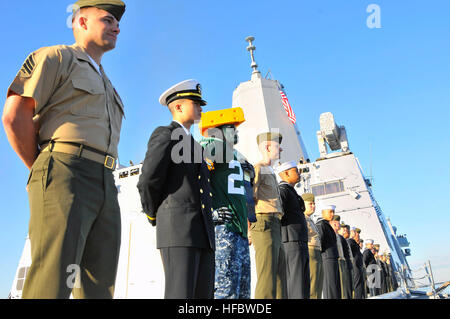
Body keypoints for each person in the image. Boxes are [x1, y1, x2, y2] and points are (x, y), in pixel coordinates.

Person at [2, 0, 126, 299]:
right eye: (107, 20)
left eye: (116, 23)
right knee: (52, 279)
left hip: (106, 181)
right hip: (65, 171)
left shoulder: (109, 84)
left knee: (98, 288)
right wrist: (45, 167)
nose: (116, 27)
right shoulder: (56, 57)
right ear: (82, 23)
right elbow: (14, 115)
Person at [137, 79, 215, 299]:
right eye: (196, 102)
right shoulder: (166, 134)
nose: (201, 108)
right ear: (179, 106)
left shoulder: (195, 146)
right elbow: (149, 179)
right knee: (180, 295)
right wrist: (153, 215)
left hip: (202, 233)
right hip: (179, 229)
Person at [199, 107, 250, 299]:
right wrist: (208, 214)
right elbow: (194, 178)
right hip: (224, 229)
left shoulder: (234, 154)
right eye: (231, 127)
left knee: (242, 292)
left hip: (238, 230)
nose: (235, 132)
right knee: (225, 290)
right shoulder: (212, 144)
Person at [251, 132, 286, 299]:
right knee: (267, 278)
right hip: (263, 222)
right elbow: (249, 199)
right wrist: (248, 229)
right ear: (266, 147)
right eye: (277, 145)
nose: (281, 148)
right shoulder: (258, 169)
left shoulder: (269, 171)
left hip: (275, 224)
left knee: (280, 278)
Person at [275, 161, 310, 299]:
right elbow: (279, 212)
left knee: (303, 281)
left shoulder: (290, 191)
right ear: (286, 173)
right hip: (291, 240)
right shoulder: (283, 190)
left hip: (298, 240)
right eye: (296, 170)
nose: (299, 173)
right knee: (296, 281)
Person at [316, 205, 341, 299]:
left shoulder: (327, 225)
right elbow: (320, 241)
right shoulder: (321, 225)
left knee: (335, 285)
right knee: (330, 286)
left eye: (333, 212)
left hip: (332, 258)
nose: (332, 214)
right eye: (330, 212)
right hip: (327, 258)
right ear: (323, 212)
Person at [301, 193, 323, 299]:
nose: (313, 206)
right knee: (313, 284)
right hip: (310, 251)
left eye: (314, 204)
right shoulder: (301, 218)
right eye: (310, 204)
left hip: (317, 251)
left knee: (319, 284)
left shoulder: (310, 220)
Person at [330, 216, 352, 299]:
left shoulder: (340, 238)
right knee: (338, 285)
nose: (337, 226)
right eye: (335, 224)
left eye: (338, 224)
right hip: (336, 260)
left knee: (344, 285)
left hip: (342, 261)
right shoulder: (331, 235)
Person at [348, 227, 365, 299]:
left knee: (360, 286)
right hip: (355, 266)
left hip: (358, 267)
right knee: (357, 286)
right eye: (354, 232)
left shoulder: (354, 242)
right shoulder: (350, 241)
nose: (356, 234)